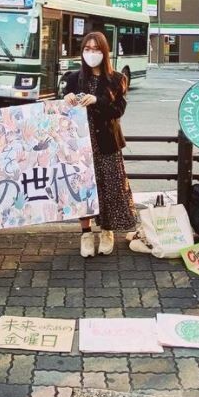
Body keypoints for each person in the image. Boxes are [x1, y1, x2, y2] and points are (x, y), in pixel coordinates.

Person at [61, 31, 136, 257]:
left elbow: (118, 110)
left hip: (106, 143)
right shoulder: (73, 77)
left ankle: (107, 231)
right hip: (79, 145)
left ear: (105, 52)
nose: (91, 54)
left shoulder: (116, 79)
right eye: (87, 49)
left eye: (96, 50)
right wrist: (66, 99)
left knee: (109, 187)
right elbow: (62, 107)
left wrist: (97, 101)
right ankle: (86, 234)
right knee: (82, 188)